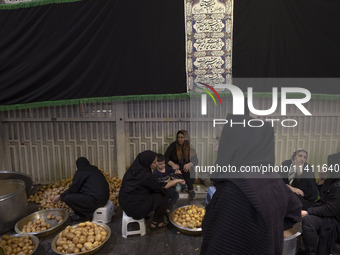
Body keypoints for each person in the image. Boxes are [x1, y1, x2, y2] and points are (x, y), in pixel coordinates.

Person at [200, 114, 302, 255]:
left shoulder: (233, 192)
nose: (217, 148)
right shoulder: (274, 179)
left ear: (239, 144)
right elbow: (295, 212)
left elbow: (217, 247)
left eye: (221, 141)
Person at [119, 150, 169, 230]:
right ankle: (156, 223)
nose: (156, 164)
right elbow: (157, 188)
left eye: (156, 162)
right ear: (147, 162)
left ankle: (148, 214)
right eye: (154, 162)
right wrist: (172, 182)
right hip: (133, 209)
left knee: (149, 192)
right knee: (164, 194)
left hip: (124, 203)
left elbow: (145, 186)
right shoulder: (145, 175)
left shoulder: (134, 169)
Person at [301, 152, 340, 255]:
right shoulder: (332, 179)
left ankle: (312, 252)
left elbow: (331, 208)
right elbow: (324, 197)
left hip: (334, 219)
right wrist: (322, 178)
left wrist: (308, 212)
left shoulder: (338, 184)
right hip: (328, 212)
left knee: (308, 220)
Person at [52, 157, 110, 221]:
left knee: (67, 198)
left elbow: (73, 188)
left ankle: (83, 216)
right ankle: (87, 214)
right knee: (78, 194)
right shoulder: (95, 169)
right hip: (105, 199)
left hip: (95, 201)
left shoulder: (81, 171)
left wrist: (60, 196)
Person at [164, 130, 198, 199]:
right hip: (175, 168)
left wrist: (190, 164)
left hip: (186, 169)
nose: (180, 139)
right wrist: (173, 164)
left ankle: (190, 188)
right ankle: (188, 188)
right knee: (181, 167)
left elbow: (195, 160)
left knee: (185, 167)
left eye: (182, 137)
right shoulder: (173, 146)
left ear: (185, 138)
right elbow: (165, 157)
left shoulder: (190, 147)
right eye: (178, 137)